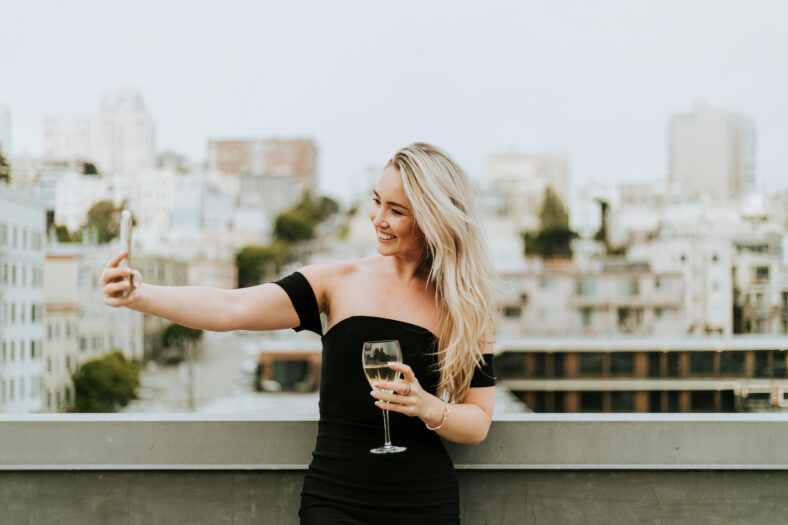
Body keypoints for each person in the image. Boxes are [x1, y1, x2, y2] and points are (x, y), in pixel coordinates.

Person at [102, 142, 499, 524]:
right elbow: (231, 308)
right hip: (335, 500)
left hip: (425, 503)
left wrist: (427, 406)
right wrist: (139, 294)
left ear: (432, 218)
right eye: (376, 201)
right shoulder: (337, 281)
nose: (378, 219)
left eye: (396, 210)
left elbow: (478, 422)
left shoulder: (466, 306)